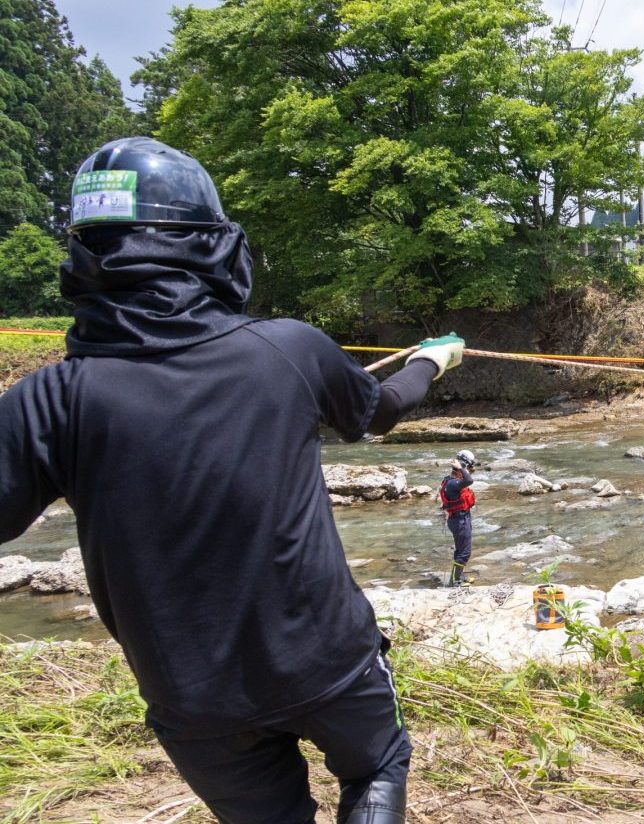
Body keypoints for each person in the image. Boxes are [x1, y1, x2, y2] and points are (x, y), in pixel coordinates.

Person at [0, 137, 467, 823]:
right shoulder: (287, 349)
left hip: (192, 700)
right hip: (329, 663)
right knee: (376, 765)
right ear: (212, 246)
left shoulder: (49, 399)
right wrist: (433, 360)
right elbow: (380, 411)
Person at [440, 449, 478, 586]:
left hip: (459, 519)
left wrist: (463, 468)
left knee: (460, 550)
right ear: (461, 467)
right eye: (467, 467)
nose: (468, 470)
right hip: (459, 521)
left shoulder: (453, 480)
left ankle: (458, 578)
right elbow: (469, 480)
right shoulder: (452, 484)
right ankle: (455, 581)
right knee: (465, 552)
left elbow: (467, 477)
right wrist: (462, 468)